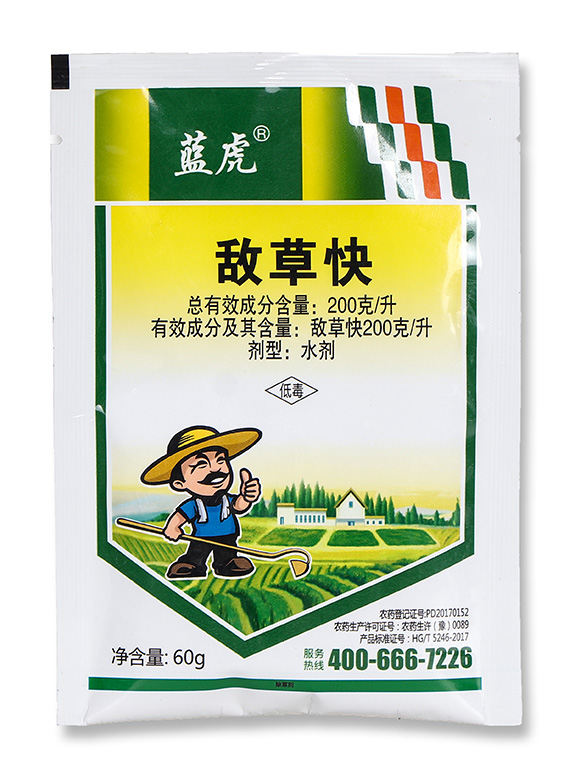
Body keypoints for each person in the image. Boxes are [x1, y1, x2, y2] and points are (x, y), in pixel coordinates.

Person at [141, 425, 262, 579]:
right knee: (196, 554)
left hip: (228, 536)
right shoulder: (194, 505)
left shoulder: (226, 499)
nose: (215, 469)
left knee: (227, 554)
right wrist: (172, 527)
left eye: (220, 460)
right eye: (201, 465)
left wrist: (246, 497)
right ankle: (192, 566)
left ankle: (227, 564)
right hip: (201, 538)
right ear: (180, 484)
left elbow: (238, 506)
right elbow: (180, 517)